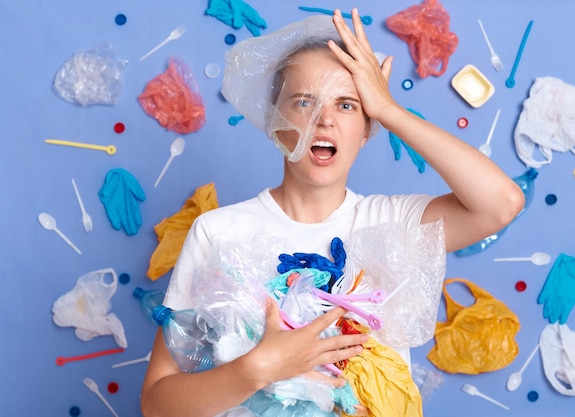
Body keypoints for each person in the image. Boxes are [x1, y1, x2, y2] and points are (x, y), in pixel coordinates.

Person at [141, 8, 525, 417]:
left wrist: (390, 111)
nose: (325, 120)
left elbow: (502, 204)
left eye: (347, 105)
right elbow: (158, 404)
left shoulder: (393, 225)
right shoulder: (218, 232)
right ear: (274, 123)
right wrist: (257, 368)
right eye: (305, 102)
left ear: (366, 129)